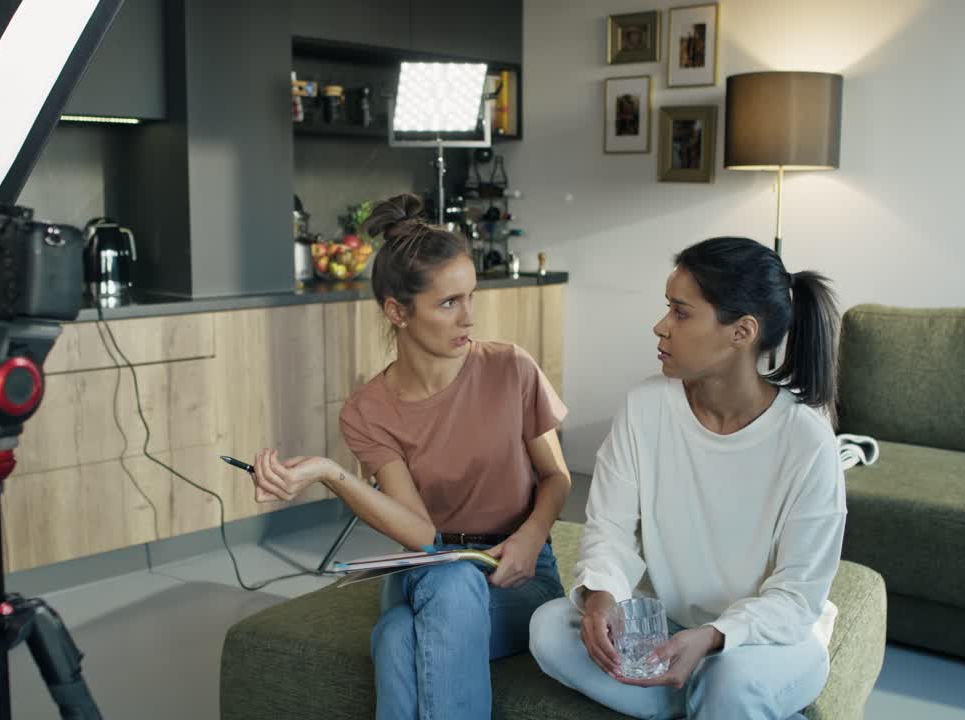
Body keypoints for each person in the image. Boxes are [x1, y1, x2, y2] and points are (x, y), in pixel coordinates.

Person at [249, 193, 572, 719]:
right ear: (397, 311)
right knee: (444, 579)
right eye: (449, 303)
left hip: (519, 571)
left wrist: (530, 538)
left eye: (470, 296)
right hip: (430, 568)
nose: (468, 317)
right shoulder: (368, 411)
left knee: (399, 636)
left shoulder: (511, 368)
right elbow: (423, 537)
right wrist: (331, 473)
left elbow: (556, 477)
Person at [529, 236, 846, 720]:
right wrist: (601, 597)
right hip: (671, 624)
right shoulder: (645, 407)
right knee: (550, 628)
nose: (660, 327)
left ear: (741, 332)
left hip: (769, 639)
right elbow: (610, 531)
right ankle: (707, 703)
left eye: (680, 312)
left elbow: (797, 596)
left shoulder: (808, 441)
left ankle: (716, 694)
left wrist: (715, 638)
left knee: (731, 678)